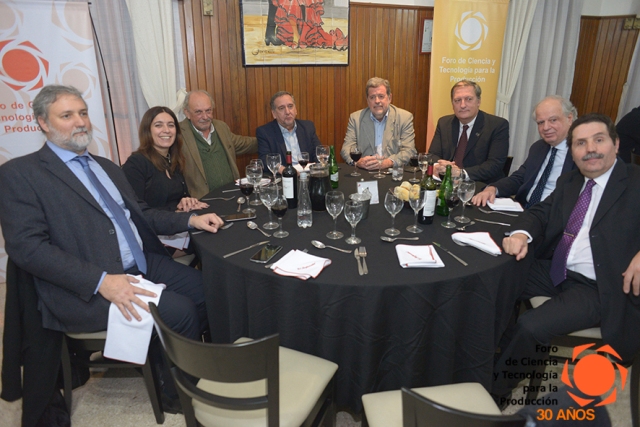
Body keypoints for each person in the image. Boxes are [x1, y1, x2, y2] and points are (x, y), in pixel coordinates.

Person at [0, 85, 225, 413]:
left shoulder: (105, 167)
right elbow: (28, 249)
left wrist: (191, 221)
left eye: (83, 113)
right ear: (43, 123)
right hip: (88, 285)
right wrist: (102, 281)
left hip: (140, 262)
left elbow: (143, 215)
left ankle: (169, 361)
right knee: (181, 312)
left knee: (208, 291)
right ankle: (173, 392)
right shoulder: (21, 174)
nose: (80, 122)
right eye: (67, 115)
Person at [492, 113, 640, 404]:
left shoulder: (635, 182)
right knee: (495, 280)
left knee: (531, 325)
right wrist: (521, 233)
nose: (590, 149)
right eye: (580, 143)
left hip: (599, 286)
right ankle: (487, 356)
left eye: (599, 140)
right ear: (573, 151)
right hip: (557, 269)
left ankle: (495, 391)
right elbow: (539, 213)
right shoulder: (570, 181)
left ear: (616, 144)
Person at [472, 96, 577, 207]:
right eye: (540, 122)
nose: (546, 127)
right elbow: (520, 178)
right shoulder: (538, 147)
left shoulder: (581, 155)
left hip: (553, 215)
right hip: (523, 209)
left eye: (553, 120)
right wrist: (493, 189)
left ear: (569, 119)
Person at [123, 106, 208, 212]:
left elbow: (176, 198)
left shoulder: (174, 159)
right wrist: (176, 210)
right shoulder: (135, 164)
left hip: (179, 223)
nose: (166, 130)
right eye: (158, 125)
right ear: (147, 130)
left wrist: (186, 202)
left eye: (171, 125)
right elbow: (137, 211)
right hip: (155, 227)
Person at [428, 80, 509, 184]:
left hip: (480, 186)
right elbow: (432, 155)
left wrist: (460, 173)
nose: (462, 105)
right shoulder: (444, 123)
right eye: (457, 100)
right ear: (452, 104)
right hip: (447, 183)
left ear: (478, 101)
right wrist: (443, 167)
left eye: (468, 99)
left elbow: (494, 165)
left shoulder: (497, 125)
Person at [180, 90, 257, 198]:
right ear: (187, 113)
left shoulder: (221, 127)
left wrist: (271, 139)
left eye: (208, 111)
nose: (205, 117)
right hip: (202, 202)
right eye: (198, 112)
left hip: (233, 195)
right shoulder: (178, 134)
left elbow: (244, 144)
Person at [341, 77, 416, 170]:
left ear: (389, 98)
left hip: (392, 172)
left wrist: (387, 162)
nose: (377, 101)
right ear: (367, 100)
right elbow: (346, 149)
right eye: (372, 97)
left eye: (381, 96)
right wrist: (358, 162)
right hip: (364, 172)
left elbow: (409, 151)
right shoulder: (356, 118)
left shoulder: (404, 117)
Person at [257, 91, 322, 171]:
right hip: (284, 178)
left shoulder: (307, 127)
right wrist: (285, 171)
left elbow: (318, 154)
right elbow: (264, 160)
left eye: (290, 106)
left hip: (308, 175)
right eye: (281, 108)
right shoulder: (265, 132)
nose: (287, 112)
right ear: (274, 114)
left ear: (296, 110)